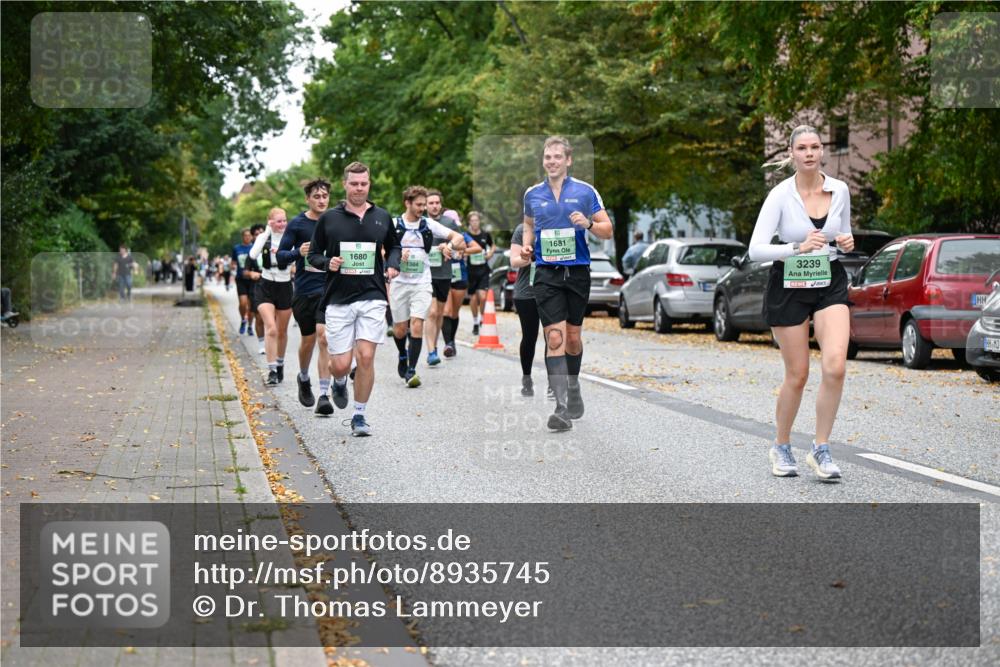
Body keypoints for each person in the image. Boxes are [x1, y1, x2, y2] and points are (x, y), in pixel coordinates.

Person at [749, 124, 854, 482]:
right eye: (802, 148)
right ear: (791, 154)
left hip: (830, 280)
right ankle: (781, 445)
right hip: (789, 284)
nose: (809, 153)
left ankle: (821, 448)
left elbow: (842, 235)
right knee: (798, 374)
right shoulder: (780, 195)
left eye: (815, 147)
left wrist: (845, 242)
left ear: (822, 151)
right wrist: (795, 248)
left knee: (836, 365)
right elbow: (755, 249)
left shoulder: (839, 190)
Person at [520, 135, 613, 431]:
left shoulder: (586, 192)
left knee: (572, 338)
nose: (552, 162)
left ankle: (573, 387)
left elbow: (607, 229)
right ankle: (560, 408)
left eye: (557, 157)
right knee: (555, 339)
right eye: (548, 157)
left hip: (577, 273)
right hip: (546, 274)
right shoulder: (532, 194)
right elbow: (529, 225)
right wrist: (526, 246)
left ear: (568, 160)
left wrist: (587, 224)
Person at [307, 161, 401, 437]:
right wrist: (328, 262)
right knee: (341, 364)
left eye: (364, 183)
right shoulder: (329, 219)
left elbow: (394, 245)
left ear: (369, 184)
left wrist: (393, 263)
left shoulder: (382, 217)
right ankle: (338, 381)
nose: (359, 188)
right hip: (338, 298)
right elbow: (312, 254)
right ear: (345, 185)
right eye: (354, 183)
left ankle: (359, 416)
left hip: (372, 295)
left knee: (367, 356)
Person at [390, 185, 467, 388]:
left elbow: (459, 239)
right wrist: (396, 255)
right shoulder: (394, 224)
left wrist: (448, 246)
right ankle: (402, 354)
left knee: (417, 323)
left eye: (424, 204)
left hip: (422, 282)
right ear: (407, 203)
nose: (422, 208)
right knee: (399, 329)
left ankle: (411, 370)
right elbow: (381, 249)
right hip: (399, 282)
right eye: (418, 205)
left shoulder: (428, 224)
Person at [277, 178, 337, 414]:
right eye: (316, 197)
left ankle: (324, 394)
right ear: (307, 199)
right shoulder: (297, 224)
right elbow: (280, 256)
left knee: (324, 338)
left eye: (325, 197)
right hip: (304, 290)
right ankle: (303, 377)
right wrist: (297, 252)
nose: (321, 201)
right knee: (309, 340)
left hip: (328, 289)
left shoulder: (334, 221)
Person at [251, 208, 293, 385]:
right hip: (266, 284)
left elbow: (297, 257)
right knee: (271, 328)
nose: (282, 224)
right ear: (270, 222)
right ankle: (272, 369)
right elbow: (253, 255)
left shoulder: (291, 237)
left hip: (284, 285)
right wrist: (267, 232)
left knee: (282, 331)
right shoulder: (264, 237)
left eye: (284, 220)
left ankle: (280, 363)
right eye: (278, 221)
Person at [423, 190, 454, 365]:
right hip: (426, 274)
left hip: (444, 273)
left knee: (440, 313)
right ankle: (431, 351)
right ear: (426, 205)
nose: (434, 205)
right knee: (432, 312)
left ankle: (434, 345)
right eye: (431, 203)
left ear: (440, 204)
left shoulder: (449, 223)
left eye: (437, 202)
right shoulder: (421, 223)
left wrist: (448, 246)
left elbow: (460, 245)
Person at [464, 211, 495, 336]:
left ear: (479, 221)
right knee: (473, 298)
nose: (475, 222)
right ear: (469, 222)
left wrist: (490, 254)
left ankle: (483, 318)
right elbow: (461, 248)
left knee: (482, 296)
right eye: (472, 220)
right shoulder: (466, 235)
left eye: (476, 220)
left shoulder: (485, 234)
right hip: (471, 270)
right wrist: (465, 254)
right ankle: (476, 322)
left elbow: (493, 246)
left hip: (483, 269)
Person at [231, 229, 255, 334]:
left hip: (252, 280)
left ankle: (250, 326)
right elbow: (233, 262)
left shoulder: (255, 247)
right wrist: (232, 268)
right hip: (241, 279)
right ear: (242, 237)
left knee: (251, 306)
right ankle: (243, 320)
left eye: (249, 235)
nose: (247, 237)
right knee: (243, 303)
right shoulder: (237, 248)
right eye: (245, 235)